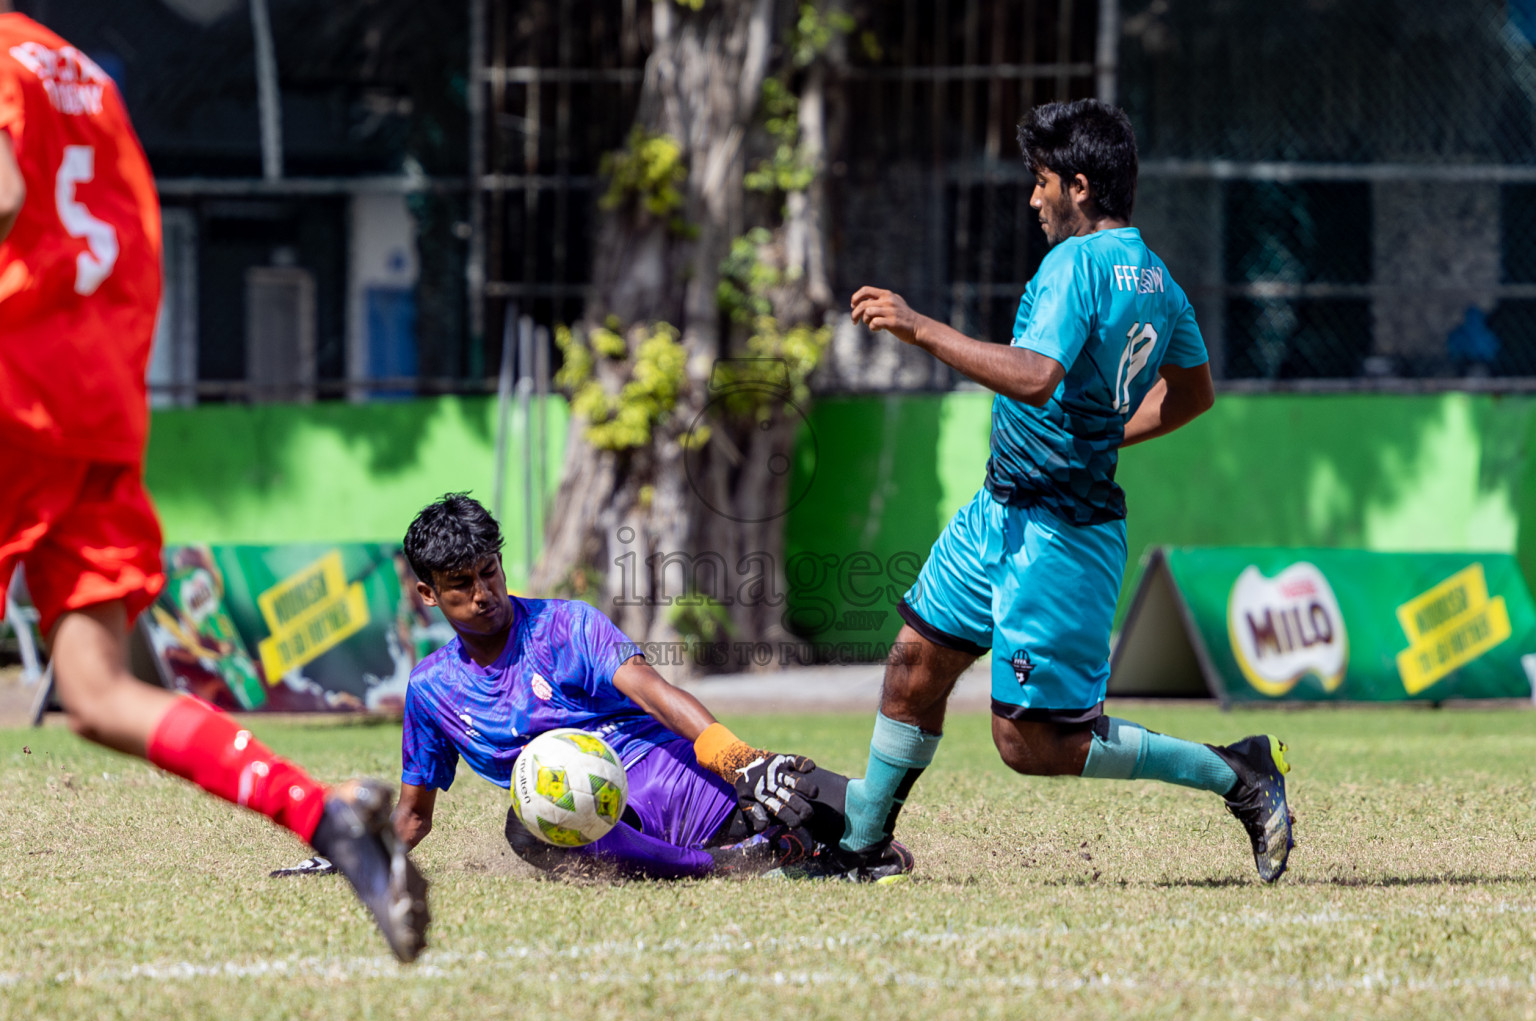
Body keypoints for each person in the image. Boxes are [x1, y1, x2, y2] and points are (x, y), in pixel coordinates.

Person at [0, 9, 429, 959]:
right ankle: (325, 818)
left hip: (14, 391)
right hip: (93, 401)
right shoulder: (81, 74)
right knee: (98, 692)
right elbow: (131, 238)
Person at [841, 99, 1294, 883]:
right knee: (915, 667)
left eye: (1041, 181)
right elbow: (1192, 396)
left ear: (1079, 185)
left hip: (1059, 533)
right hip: (1000, 510)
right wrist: (1105, 431)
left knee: (1034, 744)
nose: (1033, 199)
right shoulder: (1159, 280)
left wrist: (921, 329)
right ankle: (859, 849)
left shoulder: (1075, 265)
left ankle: (1240, 772)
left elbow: (1036, 374)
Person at [389, 493, 911, 882]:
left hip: (687, 785)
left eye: (490, 572)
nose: (484, 594)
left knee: (865, 829)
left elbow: (651, 690)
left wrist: (738, 759)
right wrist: (350, 853)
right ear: (428, 594)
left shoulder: (564, 624)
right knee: (526, 826)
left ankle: (790, 850)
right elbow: (414, 816)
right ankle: (725, 867)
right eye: (461, 584)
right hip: (602, 829)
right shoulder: (432, 690)